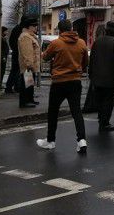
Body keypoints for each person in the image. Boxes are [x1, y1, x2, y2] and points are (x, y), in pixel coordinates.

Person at [37, 19, 89, 154]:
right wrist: (78, 70)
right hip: (75, 81)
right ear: (71, 28)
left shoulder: (56, 43)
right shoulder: (82, 42)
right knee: (76, 111)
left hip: (59, 82)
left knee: (53, 111)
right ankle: (82, 140)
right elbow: (85, 62)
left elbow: (45, 57)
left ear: (60, 30)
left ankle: (50, 141)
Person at [17, 19, 40, 108]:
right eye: (34, 26)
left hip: (31, 65)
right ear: (28, 27)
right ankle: (24, 102)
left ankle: (30, 100)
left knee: (30, 84)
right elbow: (27, 52)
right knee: (26, 84)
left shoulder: (30, 36)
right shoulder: (25, 37)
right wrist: (29, 64)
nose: (36, 27)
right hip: (28, 65)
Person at [5, 21, 23, 94]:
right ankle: (10, 87)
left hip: (16, 53)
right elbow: (14, 42)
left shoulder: (17, 29)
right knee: (15, 71)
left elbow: (11, 41)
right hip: (18, 53)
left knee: (16, 71)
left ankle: (14, 86)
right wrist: (17, 50)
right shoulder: (19, 29)